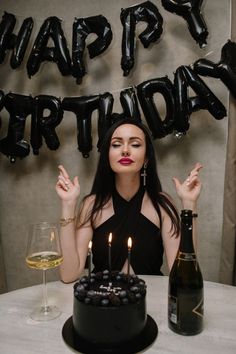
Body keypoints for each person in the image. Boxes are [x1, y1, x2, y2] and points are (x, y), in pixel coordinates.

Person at [55, 118, 202, 283]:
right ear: (107, 156)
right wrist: (68, 205)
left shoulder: (162, 204)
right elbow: (69, 275)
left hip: (149, 301)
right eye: (116, 144)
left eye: (135, 144)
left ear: (146, 158)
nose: (125, 150)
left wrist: (189, 204)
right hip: (103, 301)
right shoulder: (92, 205)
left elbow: (184, 275)